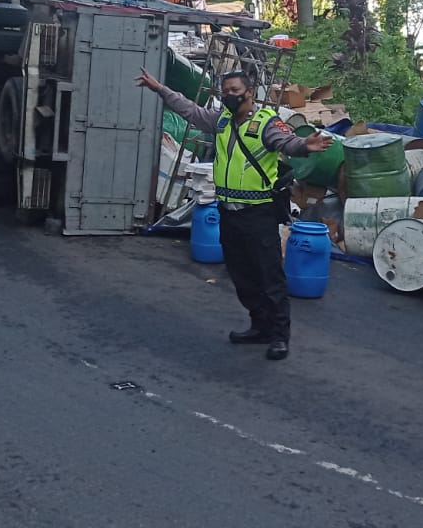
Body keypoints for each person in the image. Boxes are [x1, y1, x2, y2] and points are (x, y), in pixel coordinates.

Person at [137, 66, 331, 360]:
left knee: (269, 276)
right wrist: (160, 89)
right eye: (225, 91)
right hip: (228, 212)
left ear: (249, 92)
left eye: (235, 91)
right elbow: (190, 111)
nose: (229, 96)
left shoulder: (266, 122)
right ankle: (259, 326)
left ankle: (279, 335)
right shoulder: (222, 121)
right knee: (242, 275)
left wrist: (305, 145)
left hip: (259, 213)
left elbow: (286, 142)